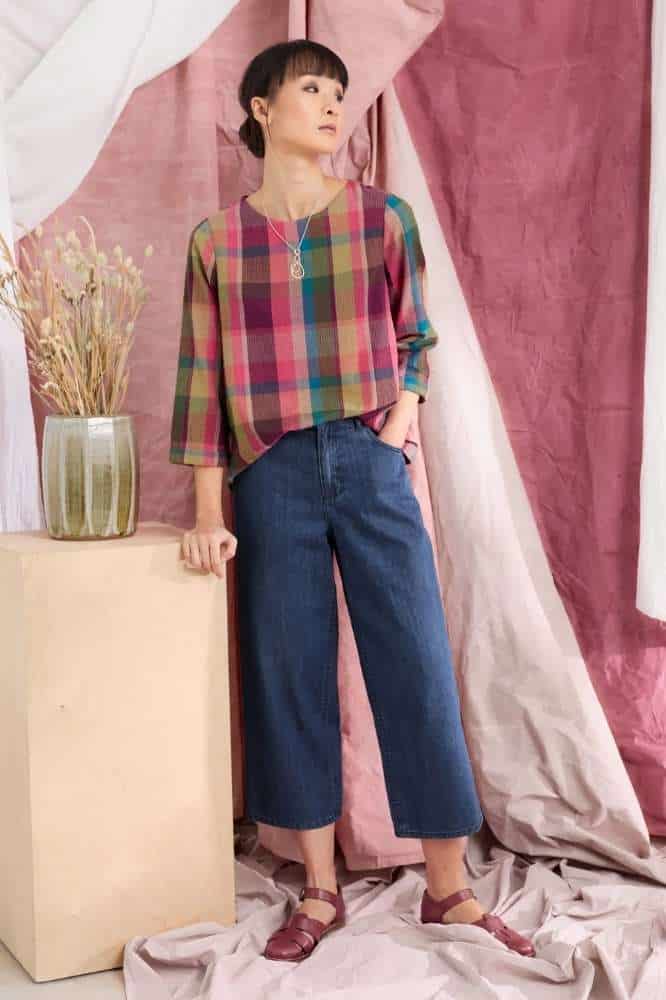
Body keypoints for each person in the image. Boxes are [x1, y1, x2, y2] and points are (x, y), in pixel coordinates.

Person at [168, 39, 536, 963]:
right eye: (311, 89)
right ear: (261, 110)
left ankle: (449, 890)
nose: (334, 105)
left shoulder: (382, 218)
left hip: (369, 462)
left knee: (414, 657)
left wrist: (396, 424)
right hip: (271, 473)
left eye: (339, 91)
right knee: (287, 672)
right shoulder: (217, 241)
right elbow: (202, 382)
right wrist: (209, 512)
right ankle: (319, 890)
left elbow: (416, 334)